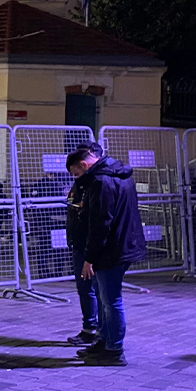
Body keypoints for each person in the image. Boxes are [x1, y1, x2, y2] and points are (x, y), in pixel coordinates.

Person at [68, 144, 146, 367]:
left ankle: (113, 349)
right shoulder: (120, 175)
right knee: (106, 299)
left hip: (111, 249)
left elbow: (101, 223)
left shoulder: (100, 182)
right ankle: (105, 341)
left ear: (84, 164)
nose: (78, 179)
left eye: (77, 173)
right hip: (123, 244)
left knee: (110, 300)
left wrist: (89, 258)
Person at [63, 141, 105, 346]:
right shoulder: (80, 184)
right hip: (79, 241)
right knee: (84, 288)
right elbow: (73, 205)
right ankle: (90, 327)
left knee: (98, 289)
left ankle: (100, 331)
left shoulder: (98, 183)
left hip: (92, 245)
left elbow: (99, 219)